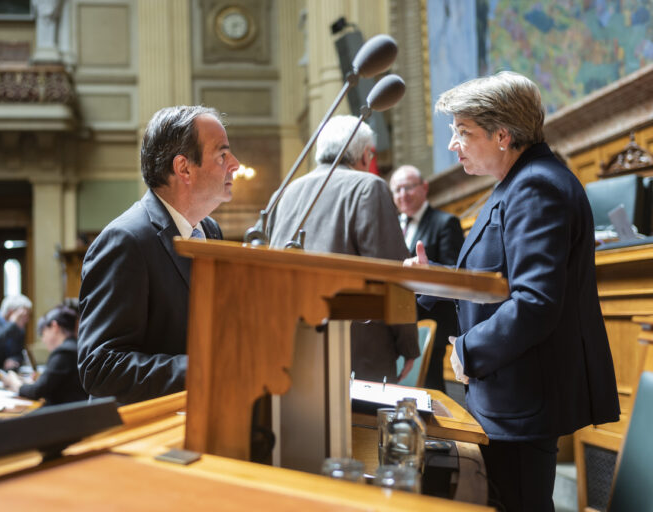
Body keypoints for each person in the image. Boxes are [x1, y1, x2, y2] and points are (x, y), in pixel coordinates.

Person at [405, 71, 620, 511]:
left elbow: (535, 302)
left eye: (463, 132)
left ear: (503, 135)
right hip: (514, 390)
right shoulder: (520, 182)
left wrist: (468, 350)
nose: (453, 145)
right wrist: (436, 275)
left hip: (524, 395)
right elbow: (499, 277)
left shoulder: (535, 187)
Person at [78, 105, 238, 405]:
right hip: (141, 433)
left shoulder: (210, 231)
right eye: (222, 155)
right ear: (184, 168)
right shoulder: (125, 241)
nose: (236, 164)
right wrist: (203, 369)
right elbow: (99, 368)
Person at [266, 115, 419, 383]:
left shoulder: (285, 193)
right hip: (357, 353)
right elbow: (393, 274)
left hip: (291, 348)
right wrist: (408, 345)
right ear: (364, 155)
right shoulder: (368, 187)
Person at [390, 165, 464, 391]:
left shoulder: (445, 223)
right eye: (397, 190)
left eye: (409, 187)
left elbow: (455, 274)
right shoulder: (394, 226)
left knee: (430, 388)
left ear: (424, 188)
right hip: (402, 318)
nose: (403, 194)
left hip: (433, 319)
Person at [0, 304, 86, 405]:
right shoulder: (74, 347)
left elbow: (37, 391)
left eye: (43, 333)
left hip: (65, 415)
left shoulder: (64, 352)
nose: (43, 340)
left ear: (54, 327)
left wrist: (14, 383)